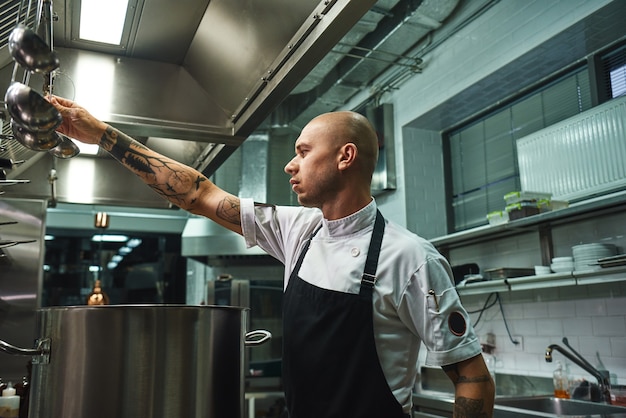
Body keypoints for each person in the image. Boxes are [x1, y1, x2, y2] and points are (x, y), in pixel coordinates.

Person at [50, 96, 495, 417]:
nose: (290, 165)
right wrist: (100, 135)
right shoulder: (296, 231)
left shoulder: (411, 258)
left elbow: (473, 377)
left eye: (303, 152)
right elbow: (197, 193)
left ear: (345, 156)